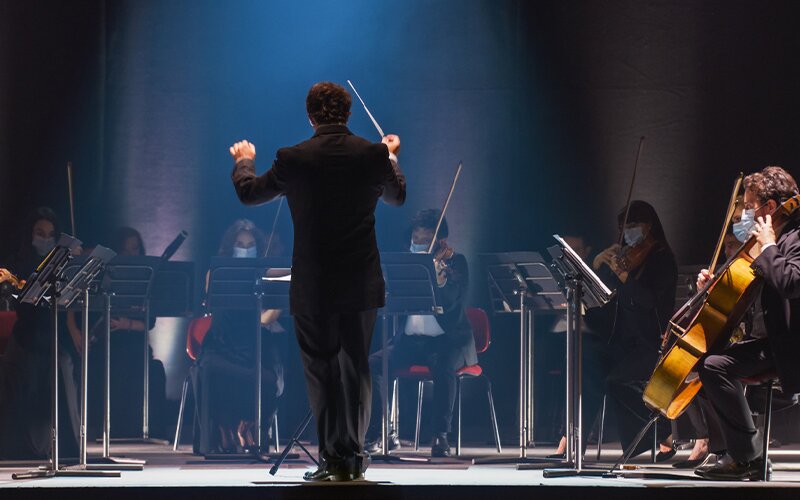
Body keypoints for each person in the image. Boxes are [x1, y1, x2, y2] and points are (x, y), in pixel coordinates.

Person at [230, 81, 405, 481]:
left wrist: (244, 160)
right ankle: (353, 458)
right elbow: (398, 197)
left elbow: (250, 194)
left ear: (310, 117)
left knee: (322, 370)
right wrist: (391, 157)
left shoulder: (294, 157)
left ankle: (332, 459)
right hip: (361, 280)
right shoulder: (373, 153)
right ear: (348, 114)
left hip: (314, 283)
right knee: (357, 368)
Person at [694, 166, 800, 480]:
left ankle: (748, 457)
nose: (744, 213)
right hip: (765, 341)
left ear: (769, 208)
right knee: (698, 364)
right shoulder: (764, 243)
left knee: (715, 367)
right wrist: (714, 288)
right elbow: (746, 296)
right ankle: (732, 452)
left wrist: (768, 247)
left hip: (787, 345)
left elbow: (791, 283)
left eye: (749, 205)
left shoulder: (793, 239)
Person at [551, 200, 677, 459]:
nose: (626, 232)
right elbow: (602, 303)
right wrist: (595, 268)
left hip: (650, 343)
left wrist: (625, 278)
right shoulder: (623, 257)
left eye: (632, 225)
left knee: (618, 380)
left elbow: (649, 304)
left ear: (648, 226)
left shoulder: (661, 259)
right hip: (619, 342)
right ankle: (572, 442)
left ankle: (656, 437)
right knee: (583, 365)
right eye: (622, 226)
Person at [366, 209, 476, 457]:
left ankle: (440, 435)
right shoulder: (405, 265)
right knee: (374, 364)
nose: (418, 246)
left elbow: (452, 301)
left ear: (441, 242)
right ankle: (380, 431)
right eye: (415, 240)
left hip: (447, 341)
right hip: (410, 342)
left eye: (425, 241)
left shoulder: (456, 263)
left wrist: (438, 274)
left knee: (445, 368)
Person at [194, 219, 286, 455]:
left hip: (252, 344)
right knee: (211, 369)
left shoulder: (263, 272)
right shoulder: (217, 272)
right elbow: (213, 302)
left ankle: (251, 427)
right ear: (230, 246)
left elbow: (287, 276)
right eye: (240, 244)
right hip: (221, 342)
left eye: (250, 244)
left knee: (269, 377)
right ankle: (222, 430)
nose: (245, 248)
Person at [0, 207, 81, 459]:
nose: (44, 238)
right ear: (30, 234)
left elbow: (65, 305)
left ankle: (69, 446)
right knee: (19, 369)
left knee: (65, 366)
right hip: (26, 337)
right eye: (39, 233)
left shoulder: (61, 264)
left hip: (53, 337)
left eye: (50, 234)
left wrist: (75, 331)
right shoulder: (19, 262)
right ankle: (24, 446)